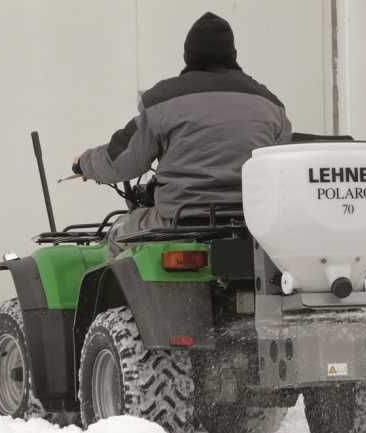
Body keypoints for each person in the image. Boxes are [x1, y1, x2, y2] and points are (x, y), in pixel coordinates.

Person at [73, 12, 291, 255]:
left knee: (119, 233)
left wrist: (84, 163)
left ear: (188, 54)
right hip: (250, 227)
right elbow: (281, 174)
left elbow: (121, 161)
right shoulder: (271, 105)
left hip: (179, 222)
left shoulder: (163, 100)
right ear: (233, 55)